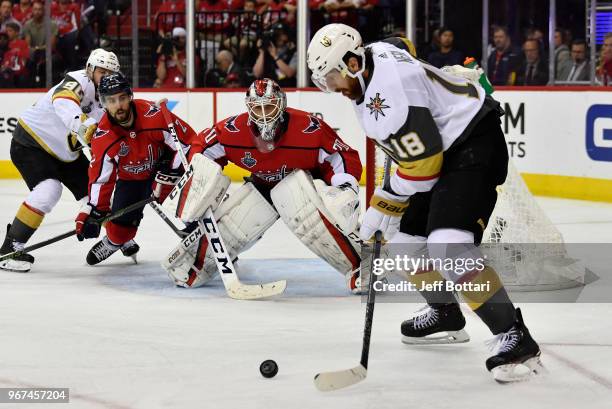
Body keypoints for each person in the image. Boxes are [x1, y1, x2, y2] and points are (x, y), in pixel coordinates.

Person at [307, 24, 542, 382]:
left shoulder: (389, 98)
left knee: (449, 245)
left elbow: (425, 170)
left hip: (472, 142)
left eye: (334, 77)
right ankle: (446, 311)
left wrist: (384, 201)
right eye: (324, 80)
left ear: (354, 63)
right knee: (401, 243)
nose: (333, 87)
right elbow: (402, 43)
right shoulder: (371, 53)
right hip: (439, 146)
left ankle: (513, 334)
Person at [162, 78, 365, 293]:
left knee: (313, 220)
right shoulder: (234, 129)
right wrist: (199, 177)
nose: (264, 114)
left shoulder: (308, 127)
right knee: (232, 227)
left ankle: (364, 266)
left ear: (281, 104)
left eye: (268, 106)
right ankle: (196, 266)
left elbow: (341, 154)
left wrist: (345, 187)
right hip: (263, 185)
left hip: (304, 184)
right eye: (257, 109)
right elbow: (202, 146)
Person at [0, 49, 120, 272]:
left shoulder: (108, 98)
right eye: (103, 72)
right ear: (91, 70)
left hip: (67, 153)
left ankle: (118, 236)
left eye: (111, 73)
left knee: (96, 193)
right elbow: (63, 101)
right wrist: (81, 125)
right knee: (49, 190)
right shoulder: (78, 79)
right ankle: (9, 248)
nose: (107, 77)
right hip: (31, 142)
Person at [75, 73, 203, 266]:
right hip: (130, 180)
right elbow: (101, 178)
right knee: (119, 232)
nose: (118, 105)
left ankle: (204, 237)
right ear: (103, 104)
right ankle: (113, 242)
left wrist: (173, 170)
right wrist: (93, 211)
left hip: (163, 171)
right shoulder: (103, 137)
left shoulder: (155, 115)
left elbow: (188, 144)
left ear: (130, 96)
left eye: (122, 98)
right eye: (111, 101)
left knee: (190, 210)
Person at [0, 21, 29, 87]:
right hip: (4, 70)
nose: (7, 33)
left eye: (10, 31)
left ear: (17, 32)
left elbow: (24, 60)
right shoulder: (4, 44)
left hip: (17, 71)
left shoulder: (22, 43)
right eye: (6, 31)